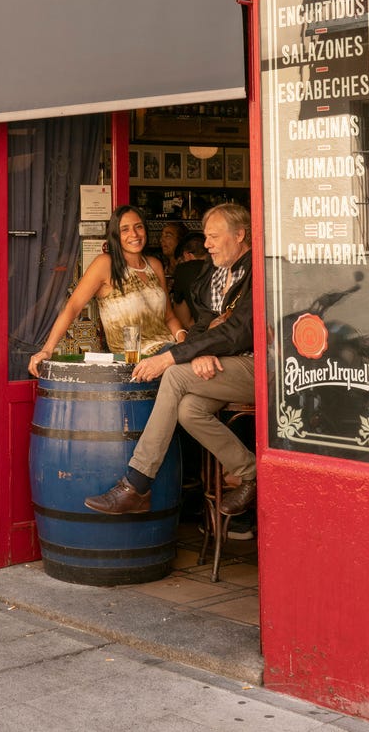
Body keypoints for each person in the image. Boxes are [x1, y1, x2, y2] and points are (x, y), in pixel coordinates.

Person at [84, 202, 256, 518]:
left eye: (214, 237)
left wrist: (176, 357)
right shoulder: (215, 271)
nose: (207, 245)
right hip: (223, 362)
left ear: (240, 234)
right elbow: (205, 323)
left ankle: (136, 483)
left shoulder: (259, 269)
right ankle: (251, 472)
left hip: (257, 366)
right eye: (206, 237)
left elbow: (239, 332)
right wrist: (200, 349)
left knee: (174, 375)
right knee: (189, 410)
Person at [28, 205, 187, 376]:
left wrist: (183, 342)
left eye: (138, 227)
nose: (134, 234)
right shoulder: (105, 264)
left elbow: (169, 316)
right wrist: (47, 350)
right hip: (135, 360)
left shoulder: (154, 265)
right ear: (115, 236)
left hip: (169, 352)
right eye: (125, 229)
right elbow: (72, 307)